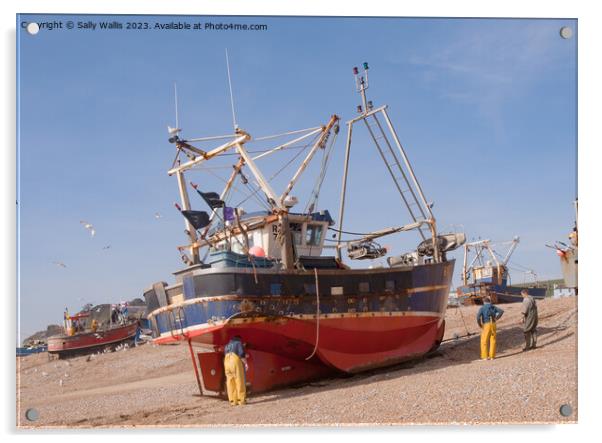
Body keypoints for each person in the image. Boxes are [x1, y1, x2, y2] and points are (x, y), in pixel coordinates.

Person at [476, 296, 504, 360]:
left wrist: (480, 324)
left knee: (484, 340)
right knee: (493, 340)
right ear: (489, 301)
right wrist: (496, 318)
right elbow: (501, 311)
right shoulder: (493, 306)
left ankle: (485, 356)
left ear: (484, 302)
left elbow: (478, 317)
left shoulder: (482, 308)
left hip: (486, 324)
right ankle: (492, 356)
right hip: (493, 324)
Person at [223, 335, 248, 406]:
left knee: (230, 382)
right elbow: (241, 354)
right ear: (239, 339)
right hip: (234, 362)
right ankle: (241, 400)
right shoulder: (238, 343)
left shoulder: (227, 346)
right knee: (239, 381)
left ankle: (233, 401)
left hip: (226, 363)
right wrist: (246, 364)